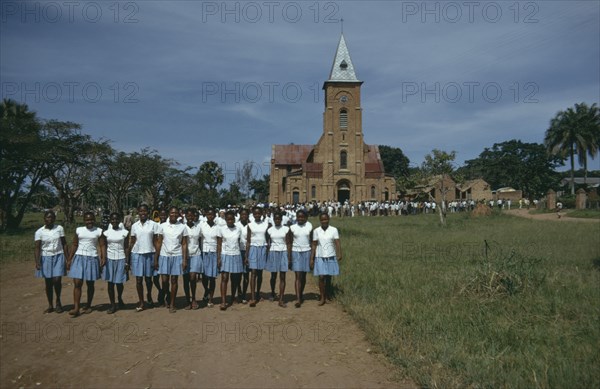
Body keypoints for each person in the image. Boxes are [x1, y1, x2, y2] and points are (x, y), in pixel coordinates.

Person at [66, 211, 105, 316]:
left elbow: (102, 246)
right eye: (87, 220)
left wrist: (103, 257)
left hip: (92, 258)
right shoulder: (79, 230)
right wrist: (69, 259)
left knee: (90, 284)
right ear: (84, 220)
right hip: (79, 257)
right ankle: (76, 308)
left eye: (91, 219)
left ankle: (88, 305)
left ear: (94, 220)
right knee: (77, 283)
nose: (90, 221)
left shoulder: (99, 231)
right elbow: (74, 244)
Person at [154, 206, 188, 313]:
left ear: (179, 215)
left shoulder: (182, 227)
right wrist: (156, 258)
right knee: (164, 281)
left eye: (176, 213)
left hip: (177, 255)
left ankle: (172, 303)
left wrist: (184, 259)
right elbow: (159, 242)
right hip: (164, 255)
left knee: (174, 280)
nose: (174, 215)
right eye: (172, 213)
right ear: (169, 214)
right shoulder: (163, 226)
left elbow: (184, 244)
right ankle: (167, 296)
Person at [34, 210, 68, 314]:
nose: (50, 219)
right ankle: (50, 304)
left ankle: (58, 301)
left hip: (58, 255)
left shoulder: (59, 228)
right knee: (48, 283)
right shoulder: (39, 232)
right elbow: (37, 247)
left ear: (54, 219)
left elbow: (64, 244)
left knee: (57, 280)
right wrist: (37, 261)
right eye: (48, 217)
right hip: (46, 258)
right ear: (44, 218)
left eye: (52, 217)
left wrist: (68, 258)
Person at [129, 204, 161, 311]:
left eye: (145, 211)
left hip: (149, 253)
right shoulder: (134, 226)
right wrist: (127, 257)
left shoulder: (153, 225)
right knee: (138, 280)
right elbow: (132, 241)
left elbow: (156, 241)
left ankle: (149, 296)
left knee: (148, 279)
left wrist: (156, 257)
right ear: (138, 212)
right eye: (141, 211)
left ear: (148, 212)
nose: (143, 213)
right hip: (137, 254)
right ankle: (141, 302)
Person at [310, 213, 342, 306]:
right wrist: (312, 258)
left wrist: (339, 253)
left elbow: (337, 243)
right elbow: (314, 244)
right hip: (320, 256)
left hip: (331, 255)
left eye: (326, 219)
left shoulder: (333, 230)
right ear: (320, 221)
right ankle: (322, 297)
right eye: (322, 220)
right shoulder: (316, 231)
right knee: (321, 277)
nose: (324, 221)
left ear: (329, 219)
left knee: (328, 277)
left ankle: (327, 295)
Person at [102, 212, 129, 314]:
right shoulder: (106, 233)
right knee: (110, 283)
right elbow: (104, 246)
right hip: (110, 259)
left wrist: (127, 261)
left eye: (116, 219)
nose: (114, 221)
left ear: (119, 220)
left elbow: (126, 247)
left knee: (119, 283)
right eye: (112, 219)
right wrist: (103, 258)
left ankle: (119, 298)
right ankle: (113, 305)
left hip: (121, 258)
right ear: (110, 220)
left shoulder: (125, 232)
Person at [217, 210, 244, 310]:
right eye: (228, 219)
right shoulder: (221, 229)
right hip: (225, 254)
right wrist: (219, 258)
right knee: (224, 278)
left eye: (231, 219)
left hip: (236, 255)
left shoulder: (238, 229)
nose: (230, 221)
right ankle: (223, 301)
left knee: (235, 279)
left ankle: (233, 297)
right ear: (225, 219)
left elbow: (240, 242)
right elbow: (219, 244)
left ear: (234, 219)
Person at [246, 206, 270, 307]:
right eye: (255, 214)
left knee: (260, 273)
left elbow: (268, 240)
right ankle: (252, 297)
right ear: (253, 214)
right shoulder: (250, 225)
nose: (257, 215)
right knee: (253, 272)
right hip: (253, 248)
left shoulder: (266, 225)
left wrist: (268, 252)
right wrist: (246, 255)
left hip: (262, 248)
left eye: (258, 213)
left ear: (262, 214)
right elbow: (248, 240)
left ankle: (258, 292)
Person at [288, 209, 312, 308]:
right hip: (296, 252)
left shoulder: (309, 226)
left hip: (307, 251)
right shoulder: (292, 228)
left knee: (304, 276)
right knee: (298, 276)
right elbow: (289, 243)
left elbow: (312, 240)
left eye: (302, 217)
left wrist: (312, 256)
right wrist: (289, 257)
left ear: (306, 218)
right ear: (296, 218)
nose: (300, 219)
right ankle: (298, 299)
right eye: (299, 217)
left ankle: (301, 294)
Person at [266, 211, 291, 307]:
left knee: (282, 276)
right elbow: (268, 243)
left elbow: (288, 243)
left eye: (279, 219)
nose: (277, 220)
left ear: (281, 219)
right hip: (273, 252)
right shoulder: (270, 230)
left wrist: (289, 256)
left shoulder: (286, 229)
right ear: (273, 220)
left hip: (283, 252)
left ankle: (281, 298)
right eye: (275, 219)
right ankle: (272, 292)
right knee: (273, 276)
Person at [184, 208, 203, 310]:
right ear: (185, 216)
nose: (190, 218)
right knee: (185, 278)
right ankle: (188, 300)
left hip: (196, 254)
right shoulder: (182, 227)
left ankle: (194, 298)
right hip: (184, 256)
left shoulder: (198, 228)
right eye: (188, 216)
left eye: (192, 216)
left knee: (193, 277)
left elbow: (200, 240)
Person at [199, 209, 219, 307]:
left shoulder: (218, 227)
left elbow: (219, 242)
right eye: (208, 214)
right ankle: (206, 290)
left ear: (215, 215)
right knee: (204, 276)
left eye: (212, 214)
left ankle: (211, 299)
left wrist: (219, 256)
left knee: (212, 278)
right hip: (204, 252)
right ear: (206, 215)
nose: (210, 216)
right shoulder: (202, 226)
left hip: (214, 252)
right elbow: (199, 239)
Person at [235, 208, 251, 303]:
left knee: (246, 274)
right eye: (242, 215)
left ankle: (244, 294)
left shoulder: (250, 226)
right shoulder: (236, 225)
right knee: (238, 274)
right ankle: (239, 291)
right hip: (238, 251)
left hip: (248, 251)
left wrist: (247, 254)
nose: (244, 216)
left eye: (246, 215)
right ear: (240, 215)